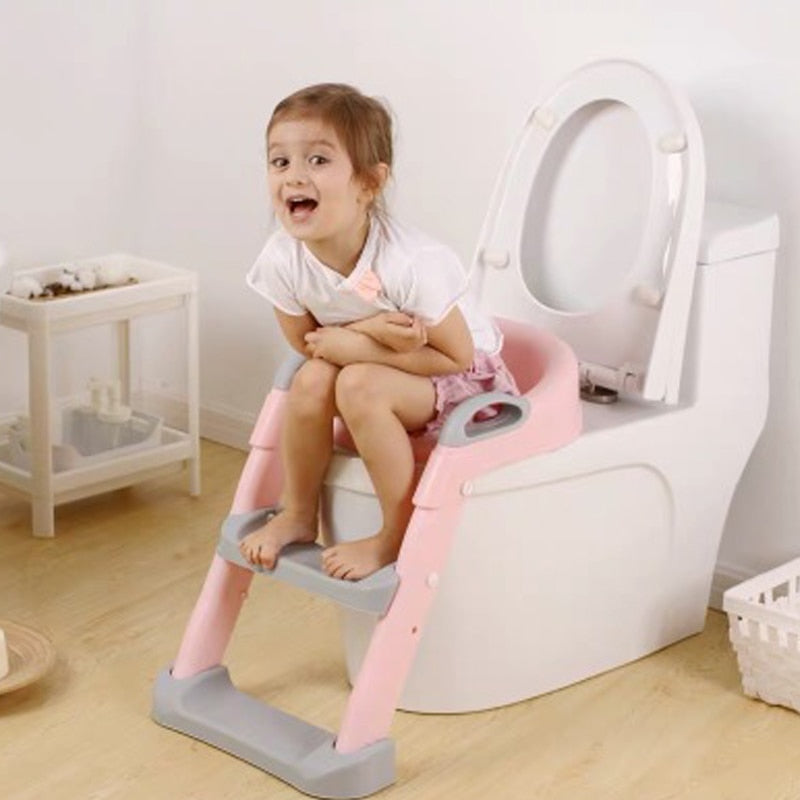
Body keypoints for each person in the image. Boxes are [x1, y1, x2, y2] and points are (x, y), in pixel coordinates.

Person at [239, 83, 519, 580]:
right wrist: (366, 333)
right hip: (378, 363)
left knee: (355, 382)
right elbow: (311, 345)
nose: (294, 176)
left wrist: (356, 348)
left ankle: (395, 534)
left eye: (318, 161)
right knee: (309, 380)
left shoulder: (411, 263)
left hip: (461, 378)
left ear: (369, 183)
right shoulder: (282, 258)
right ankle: (299, 514)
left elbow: (457, 356)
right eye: (279, 162)